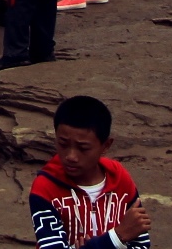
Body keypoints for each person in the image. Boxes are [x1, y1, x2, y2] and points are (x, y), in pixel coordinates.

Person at [28, 95, 151, 249]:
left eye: (83, 148)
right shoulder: (45, 188)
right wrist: (117, 237)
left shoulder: (120, 179)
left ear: (106, 145)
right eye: (63, 144)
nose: (71, 156)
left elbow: (141, 242)